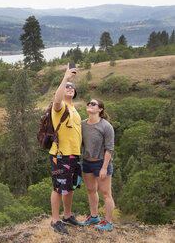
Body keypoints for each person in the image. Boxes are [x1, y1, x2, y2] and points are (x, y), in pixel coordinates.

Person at [50, 64, 82, 235]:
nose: (69, 88)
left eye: (72, 87)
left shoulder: (74, 109)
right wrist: (66, 78)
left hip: (73, 154)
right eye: (67, 87)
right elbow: (56, 100)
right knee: (58, 187)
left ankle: (67, 216)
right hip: (60, 154)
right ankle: (55, 221)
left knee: (69, 187)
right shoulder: (59, 106)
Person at [81, 99, 115, 231]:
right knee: (91, 190)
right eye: (88, 103)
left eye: (93, 104)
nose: (90, 105)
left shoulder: (106, 126)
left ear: (100, 109)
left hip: (101, 162)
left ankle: (108, 223)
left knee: (106, 193)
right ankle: (94, 217)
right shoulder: (83, 124)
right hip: (87, 162)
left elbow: (109, 149)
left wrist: (104, 168)